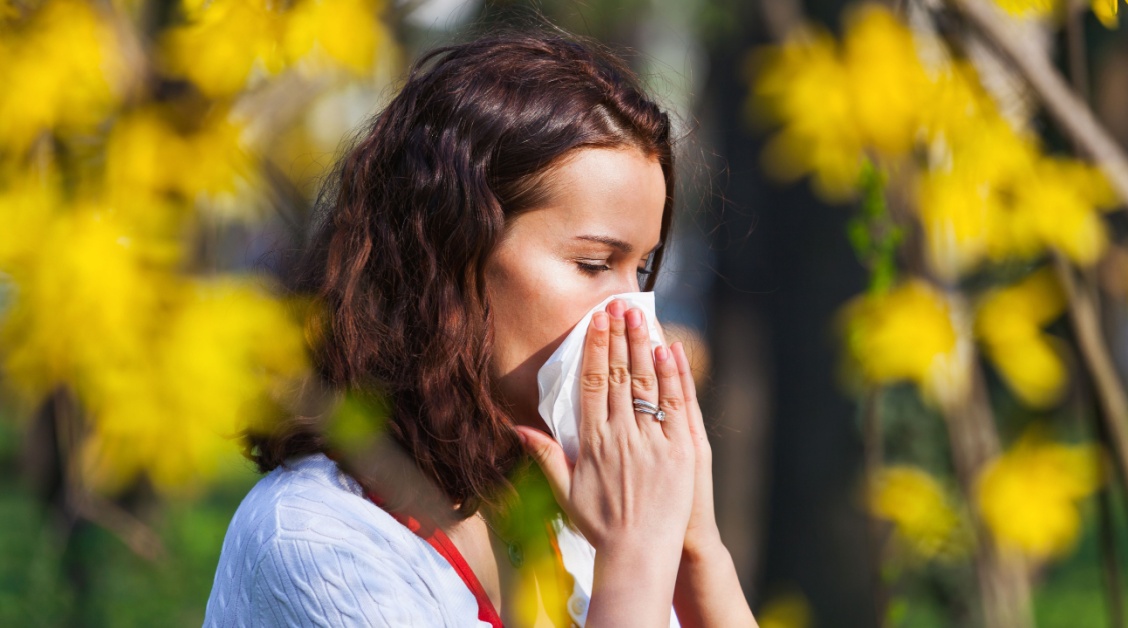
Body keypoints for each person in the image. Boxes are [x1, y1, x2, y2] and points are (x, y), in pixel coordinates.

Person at [204, 29, 756, 627]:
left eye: (642, 269)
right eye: (595, 264)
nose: (633, 317)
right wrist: (636, 555)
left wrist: (694, 550)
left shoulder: (570, 513)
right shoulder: (316, 540)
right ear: (449, 253)